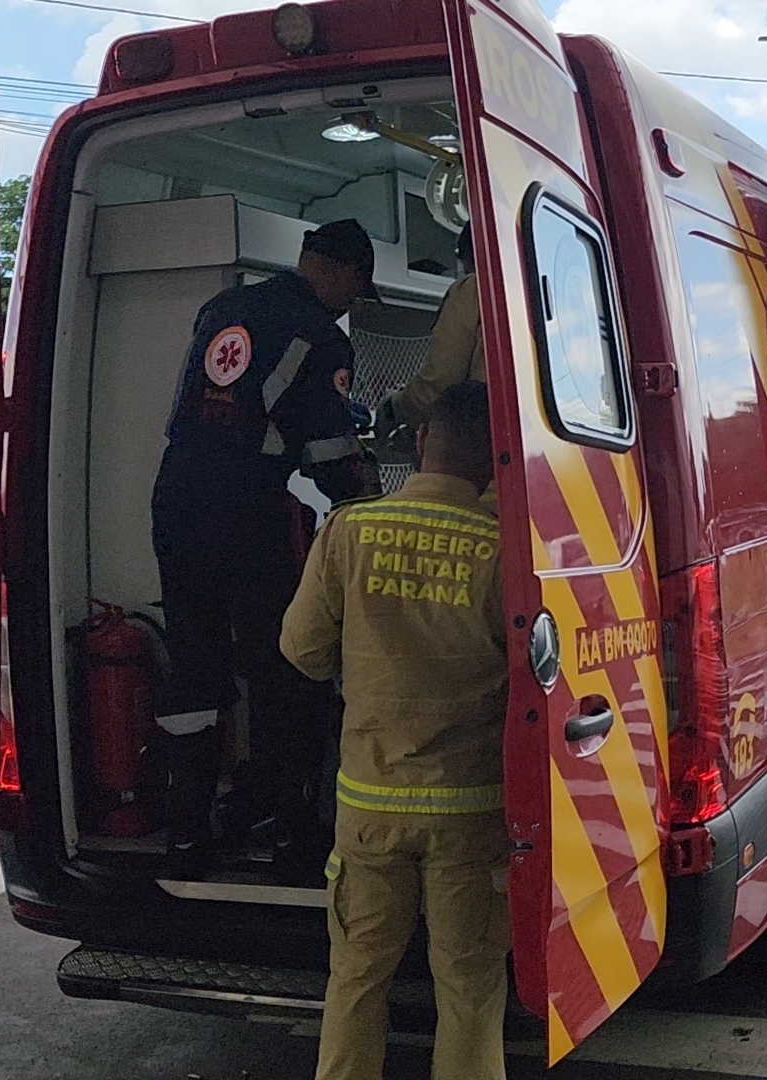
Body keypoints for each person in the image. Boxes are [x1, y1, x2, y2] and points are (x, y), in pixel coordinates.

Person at [281, 382, 509, 1080]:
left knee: (356, 980)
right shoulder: (506, 552)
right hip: (470, 814)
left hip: (370, 807)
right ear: (498, 464)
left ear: (419, 446)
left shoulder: (349, 532)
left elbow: (303, 652)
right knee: (470, 991)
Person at [151, 219, 381, 872]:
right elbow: (329, 457)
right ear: (339, 272)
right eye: (356, 290)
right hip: (247, 510)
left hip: (175, 495)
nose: (349, 304)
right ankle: (293, 835)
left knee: (193, 664)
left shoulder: (224, 306)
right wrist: (371, 505)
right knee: (287, 667)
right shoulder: (322, 337)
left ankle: (187, 837)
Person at [373, 223, 483, 439]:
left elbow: (439, 386)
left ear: (468, 255)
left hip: (483, 448)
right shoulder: (542, 294)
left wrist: (394, 406)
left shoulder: (472, 290)